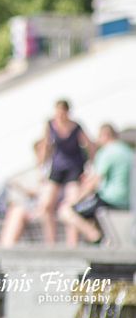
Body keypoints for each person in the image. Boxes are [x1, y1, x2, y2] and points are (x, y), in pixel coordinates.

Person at [58, 124, 133, 246]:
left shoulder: (107, 152)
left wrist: (74, 201)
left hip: (111, 199)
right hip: (128, 201)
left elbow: (95, 181)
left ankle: (97, 238)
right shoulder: (128, 152)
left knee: (66, 211)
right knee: (90, 213)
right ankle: (99, 239)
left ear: (106, 135)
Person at [36, 99, 96, 246]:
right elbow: (45, 145)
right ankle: (50, 242)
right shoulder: (51, 125)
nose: (60, 115)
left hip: (74, 168)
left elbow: (90, 145)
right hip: (57, 168)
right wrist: (41, 167)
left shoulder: (76, 127)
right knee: (46, 205)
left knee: (71, 205)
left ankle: (72, 243)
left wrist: (91, 167)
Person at [0, 139, 50, 247]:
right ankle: (5, 249)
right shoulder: (33, 171)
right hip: (31, 208)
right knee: (17, 210)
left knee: (18, 211)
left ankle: (5, 250)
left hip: (45, 209)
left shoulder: (53, 170)